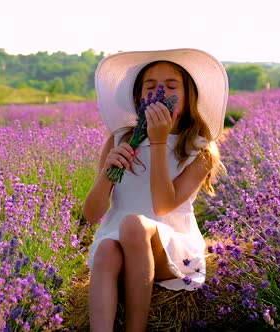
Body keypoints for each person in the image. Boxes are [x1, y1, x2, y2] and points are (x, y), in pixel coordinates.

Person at [82, 49, 229, 331]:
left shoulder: (200, 149)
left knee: (135, 225)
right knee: (105, 251)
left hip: (171, 247)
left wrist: (159, 142)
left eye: (171, 86)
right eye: (151, 87)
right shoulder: (120, 139)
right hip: (118, 244)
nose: (160, 92)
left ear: (188, 98)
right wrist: (106, 174)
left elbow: (163, 206)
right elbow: (91, 214)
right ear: (139, 98)